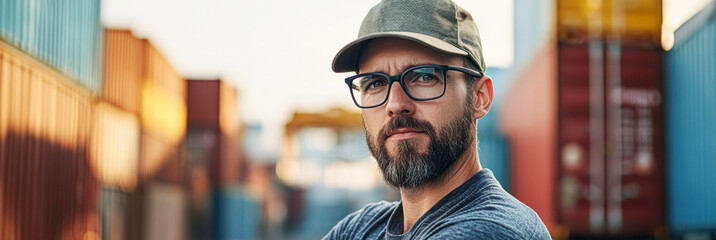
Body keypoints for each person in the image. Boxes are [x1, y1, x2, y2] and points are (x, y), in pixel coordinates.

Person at [324, 0, 551, 239]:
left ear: (479, 97)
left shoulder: (492, 229)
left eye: (424, 77)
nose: (395, 105)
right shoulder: (359, 228)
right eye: (375, 83)